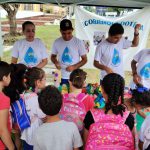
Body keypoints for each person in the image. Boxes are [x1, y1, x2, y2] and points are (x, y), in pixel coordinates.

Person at [84, 73, 135, 150]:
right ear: (121, 91)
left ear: (102, 90)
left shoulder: (91, 115)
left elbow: (86, 144)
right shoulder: (128, 118)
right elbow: (133, 143)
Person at [34, 85, 83, 150]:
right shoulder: (72, 127)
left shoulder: (38, 132)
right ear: (62, 104)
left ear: (40, 107)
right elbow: (76, 148)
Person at [51, 19, 87, 86]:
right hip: (60, 75)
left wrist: (74, 67)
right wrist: (55, 62)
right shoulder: (57, 42)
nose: (66, 36)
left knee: (74, 95)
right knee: (60, 94)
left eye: (69, 33)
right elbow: (53, 56)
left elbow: (85, 59)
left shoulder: (78, 42)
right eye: (63, 33)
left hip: (75, 77)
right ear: (60, 31)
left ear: (72, 30)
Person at [3, 63, 27, 150]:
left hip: (11, 120)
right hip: (12, 120)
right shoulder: (18, 91)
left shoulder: (6, 87)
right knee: (17, 137)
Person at [21, 67, 46, 150]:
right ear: (38, 82)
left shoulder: (25, 93)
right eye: (44, 79)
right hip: (34, 135)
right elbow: (43, 117)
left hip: (26, 132)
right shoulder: (35, 99)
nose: (45, 81)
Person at [0, 61, 15, 150]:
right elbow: (2, 129)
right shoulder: (3, 99)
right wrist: (11, 147)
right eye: (9, 75)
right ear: (5, 78)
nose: (10, 78)